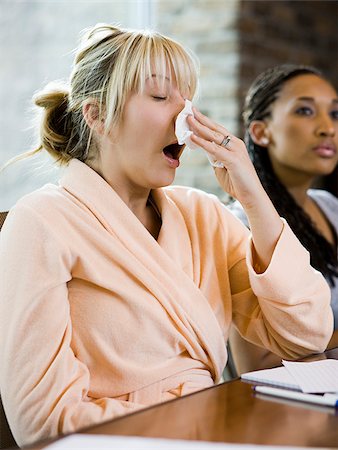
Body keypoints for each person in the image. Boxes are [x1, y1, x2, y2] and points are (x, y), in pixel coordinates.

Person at [0, 26, 333, 446]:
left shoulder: (202, 214)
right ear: (97, 115)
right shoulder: (41, 221)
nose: (186, 117)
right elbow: (42, 422)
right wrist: (198, 424)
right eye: (160, 97)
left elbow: (306, 336)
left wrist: (254, 195)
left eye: (188, 99)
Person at [229, 64, 338, 375]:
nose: (327, 128)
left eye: (335, 114)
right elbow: (255, 365)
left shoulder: (329, 207)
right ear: (262, 132)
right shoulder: (240, 224)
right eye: (305, 111)